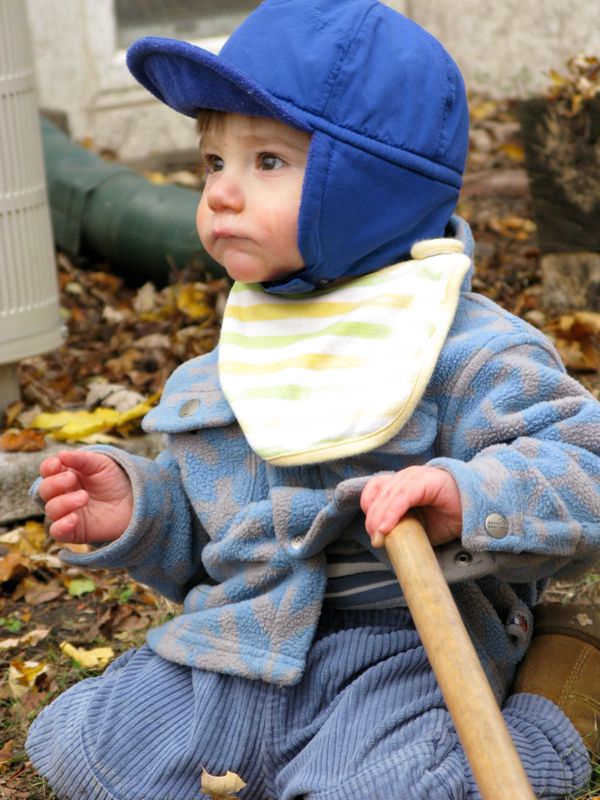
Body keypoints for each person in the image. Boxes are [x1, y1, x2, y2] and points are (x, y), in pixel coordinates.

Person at [27, 2, 600, 798]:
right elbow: (210, 537)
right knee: (82, 747)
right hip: (235, 645)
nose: (223, 193)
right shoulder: (223, 368)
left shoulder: (465, 348)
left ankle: (547, 714)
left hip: (400, 657)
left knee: (403, 786)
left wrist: (467, 497)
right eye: (212, 161)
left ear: (371, 182)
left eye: (267, 162)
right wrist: (141, 512)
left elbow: (583, 469)